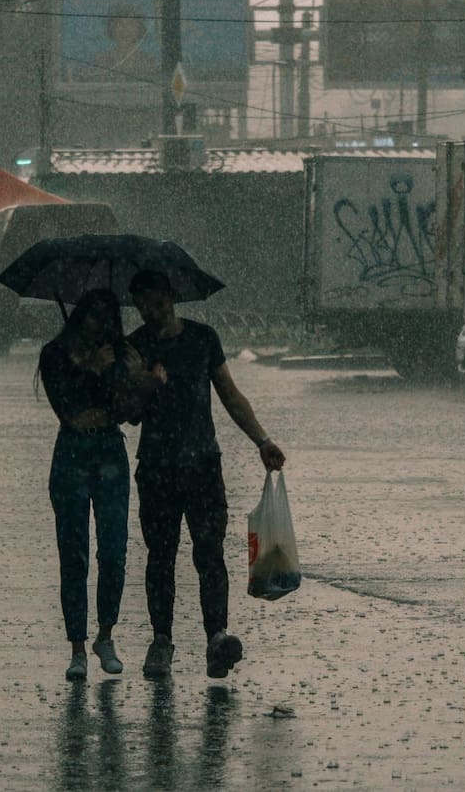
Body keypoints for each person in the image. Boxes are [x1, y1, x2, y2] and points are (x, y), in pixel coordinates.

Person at [124, 269, 286, 680]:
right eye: (142, 307)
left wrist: (262, 440)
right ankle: (161, 641)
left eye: (157, 304)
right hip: (156, 467)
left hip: (202, 465)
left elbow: (229, 393)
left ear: (172, 297)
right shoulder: (135, 346)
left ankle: (217, 638)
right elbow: (129, 414)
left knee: (209, 553)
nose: (151, 313)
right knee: (160, 556)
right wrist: (146, 384)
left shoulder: (202, 338)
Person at [37, 288, 165, 681]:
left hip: (110, 450)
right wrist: (90, 368)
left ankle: (105, 635)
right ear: (79, 315)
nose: (99, 324)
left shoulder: (119, 354)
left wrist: (141, 381)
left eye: (107, 317)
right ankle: (77, 647)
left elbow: (129, 414)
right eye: (93, 315)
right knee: (73, 554)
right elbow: (66, 408)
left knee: (113, 550)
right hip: (71, 453)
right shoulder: (54, 354)